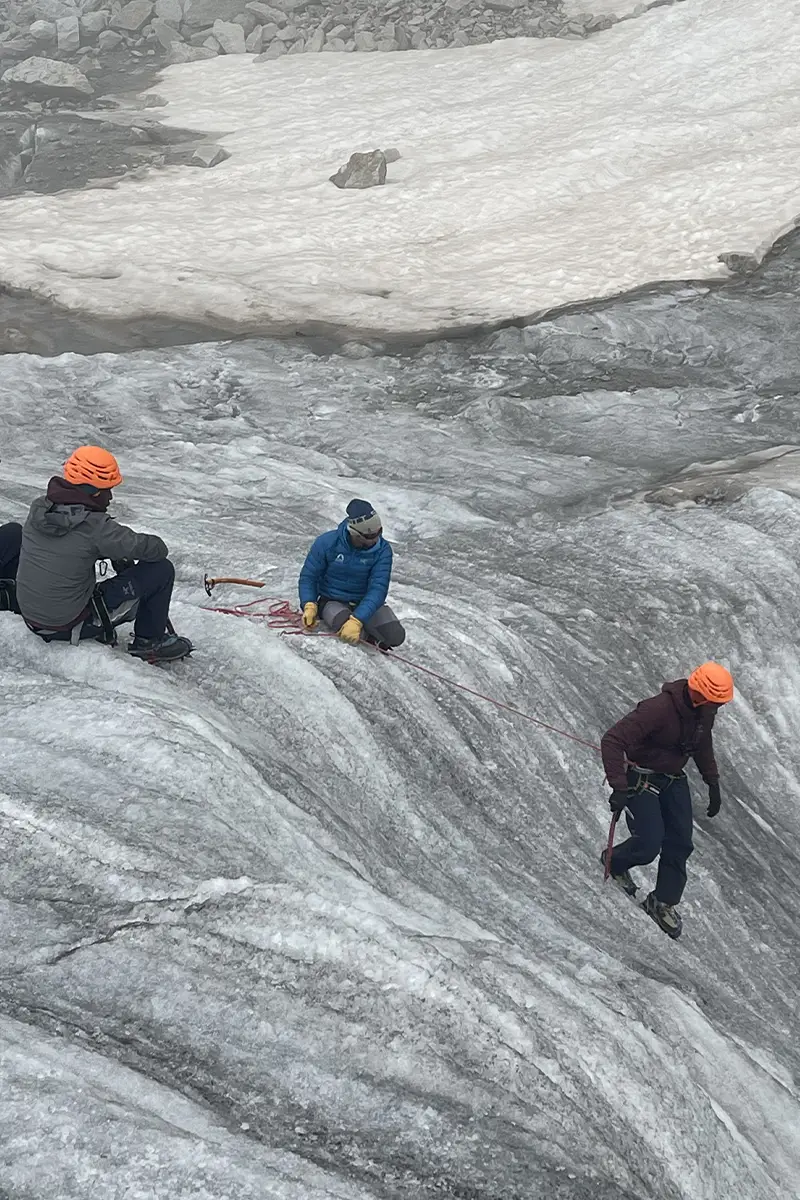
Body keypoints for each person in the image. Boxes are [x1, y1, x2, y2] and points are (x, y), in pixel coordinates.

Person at [13, 445, 192, 662]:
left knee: (14, 533)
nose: (110, 497)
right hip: (67, 624)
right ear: (93, 491)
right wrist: (108, 546)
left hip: (31, 616)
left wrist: (99, 549)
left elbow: (71, 545)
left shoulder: (40, 508)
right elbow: (156, 549)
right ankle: (149, 643)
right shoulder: (97, 528)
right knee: (161, 569)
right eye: (106, 489)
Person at [600, 662, 734, 938]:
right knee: (649, 843)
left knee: (680, 842)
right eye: (716, 703)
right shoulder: (657, 710)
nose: (719, 709)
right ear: (701, 696)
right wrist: (619, 786)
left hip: (673, 778)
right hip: (641, 777)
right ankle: (615, 861)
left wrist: (713, 781)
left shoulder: (702, 714)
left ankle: (662, 901)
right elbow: (613, 740)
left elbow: (702, 742)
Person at [298, 499, 405, 650]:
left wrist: (358, 619)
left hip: (363, 601)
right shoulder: (327, 543)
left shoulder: (383, 550)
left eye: (378, 533)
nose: (375, 539)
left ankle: (365, 629)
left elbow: (378, 588)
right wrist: (309, 604)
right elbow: (309, 577)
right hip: (332, 600)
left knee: (395, 636)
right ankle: (368, 636)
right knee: (350, 632)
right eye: (370, 536)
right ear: (355, 533)